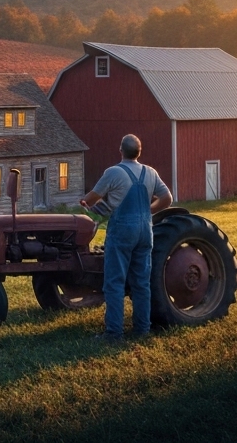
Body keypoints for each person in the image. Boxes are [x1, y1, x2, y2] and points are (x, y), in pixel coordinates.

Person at [79, 134, 172, 341]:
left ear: (120, 150)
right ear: (139, 152)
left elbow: (93, 197)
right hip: (145, 231)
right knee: (141, 282)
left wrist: (83, 201)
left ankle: (114, 332)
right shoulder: (150, 173)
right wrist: (149, 209)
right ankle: (142, 329)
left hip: (122, 231)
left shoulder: (114, 172)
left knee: (114, 282)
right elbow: (167, 198)